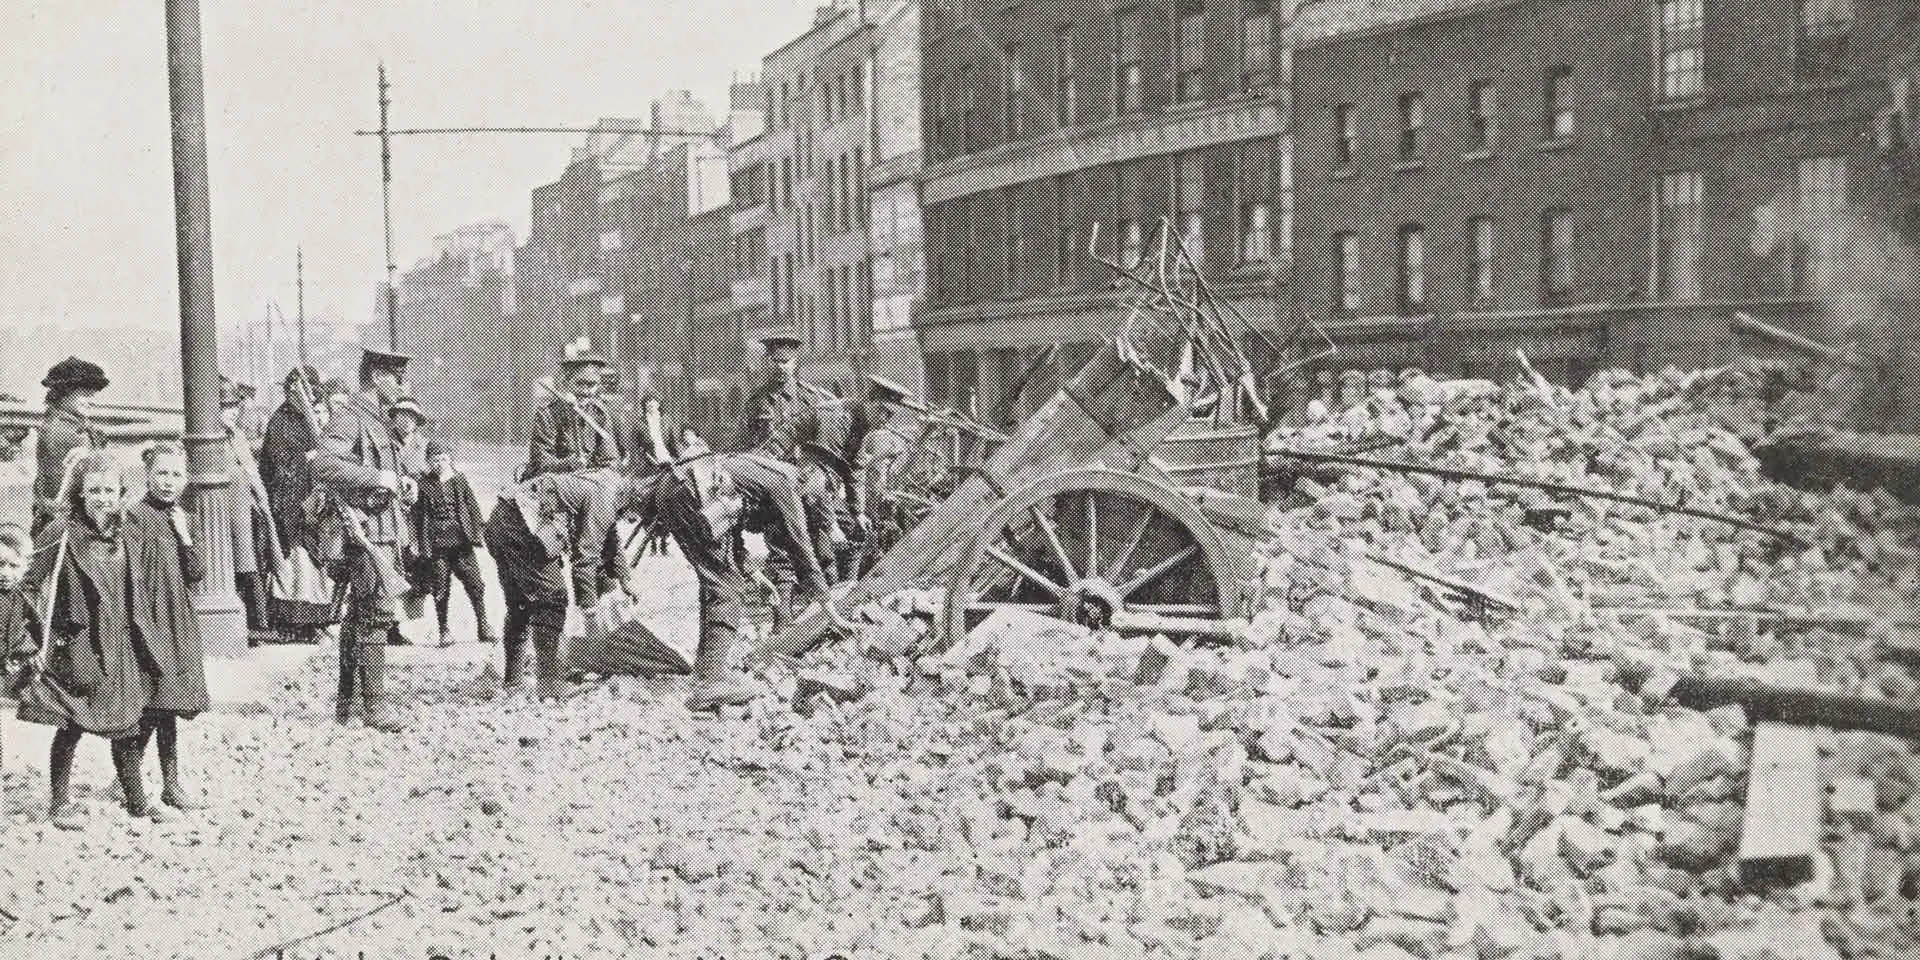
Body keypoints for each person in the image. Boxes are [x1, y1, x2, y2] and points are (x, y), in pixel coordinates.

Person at [10, 452, 163, 827]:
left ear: (120, 492)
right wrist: (29, 638)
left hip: (121, 645)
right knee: (71, 723)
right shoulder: (60, 533)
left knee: (127, 724)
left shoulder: (127, 531)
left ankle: (137, 802)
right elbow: (26, 584)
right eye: (94, 490)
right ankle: (59, 803)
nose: (103, 498)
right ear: (80, 492)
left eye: (110, 490)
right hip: (77, 646)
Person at [312, 348, 417, 733]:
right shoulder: (351, 417)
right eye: (397, 378)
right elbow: (323, 464)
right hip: (365, 531)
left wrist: (401, 482)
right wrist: (377, 479)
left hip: (383, 526)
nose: (403, 386)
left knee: (360, 615)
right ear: (376, 376)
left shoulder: (378, 421)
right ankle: (374, 708)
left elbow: (384, 469)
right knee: (375, 615)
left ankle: (347, 703)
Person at [483, 466, 640, 699]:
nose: (629, 519)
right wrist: (590, 612)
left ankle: (513, 682)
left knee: (521, 605)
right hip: (523, 526)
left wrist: (625, 578)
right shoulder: (605, 498)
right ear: (631, 500)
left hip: (500, 519)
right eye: (631, 515)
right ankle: (550, 687)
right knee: (552, 600)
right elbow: (585, 558)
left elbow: (608, 535)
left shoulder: (605, 484)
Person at [727, 331, 838, 629]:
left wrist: (821, 479)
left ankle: (831, 616)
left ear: (796, 361)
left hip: (811, 488)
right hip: (774, 491)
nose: (781, 368)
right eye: (775, 361)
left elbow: (828, 450)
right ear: (767, 361)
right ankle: (783, 623)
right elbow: (742, 448)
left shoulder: (813, 400)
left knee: (824, 550)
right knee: (780, 551)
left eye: (786, 362)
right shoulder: (756, 403)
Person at [123, 442, 210, 811]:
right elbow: (133, 576)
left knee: (168, 704)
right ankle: (137, 779)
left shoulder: (180, 517)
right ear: (148, 475)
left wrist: (185, 534)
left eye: (177, 475)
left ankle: (169, 783)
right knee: (154, 702)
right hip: (150, 621)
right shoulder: (136, 517)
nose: (169, 482)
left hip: (178, 622)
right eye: (162, 473)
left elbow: (197, 572)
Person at [260, 366, 336, 642]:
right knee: (296, 563)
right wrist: (308, 457)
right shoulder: (279, 421)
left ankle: (317, 618)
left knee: (317, 563)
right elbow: (278, 465)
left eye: (302, 389)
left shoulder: (313, 418)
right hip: (291, 502)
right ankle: (294, 622)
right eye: (291, 388)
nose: (296, 393)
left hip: (316, 500)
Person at [415, 439, 493, 647]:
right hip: (438, 546)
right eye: (435, 459)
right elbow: (419, 516)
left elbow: (473, 508)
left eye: (443, 458)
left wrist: (479, 532)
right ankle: (443, 630)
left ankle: (483, 625)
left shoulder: (460, 480)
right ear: (429, 462)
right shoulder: (424, 485)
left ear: (450, 459)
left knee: (475, 585)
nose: (440, 463)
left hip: (462, 544)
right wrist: (422, 546)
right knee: (441, 589)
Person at [222, 377, 281, 646]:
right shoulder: (219, 438)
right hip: (232, 514)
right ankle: (255, 625)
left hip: (251, 509)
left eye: (235, 405)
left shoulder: (238, 434)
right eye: (226, 406)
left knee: (257, 562)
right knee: (245, 567)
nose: (233, 410)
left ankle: (260, 623)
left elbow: (252, 472)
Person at [32, 357, 109, 536]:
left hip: (59, 523)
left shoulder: (65, 424)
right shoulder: (64, 432)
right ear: (63, 393)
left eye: (93, 394)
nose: (92, 401)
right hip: (68, 527)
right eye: (85, 394)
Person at [527, 352, 624, 476]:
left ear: (598, 385)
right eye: (579, 383)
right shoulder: (547, 414)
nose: (585, 391)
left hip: (590, 483)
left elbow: (610, 460)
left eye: (591, 385)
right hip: (556, 483)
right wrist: (569, 464)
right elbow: (540, 463)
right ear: (566, 383)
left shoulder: (600, 415)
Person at [0, 523, 33, 790]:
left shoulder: (21, 598)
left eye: (13, 566)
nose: (5, 573)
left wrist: (28, 652)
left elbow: (36, 629)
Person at [389, 397, 432, 480]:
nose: (407, 420)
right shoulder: (384, 442)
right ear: (395, 418)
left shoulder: (426, 446)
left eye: (411, 416)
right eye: (403, 415)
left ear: (417, 421)